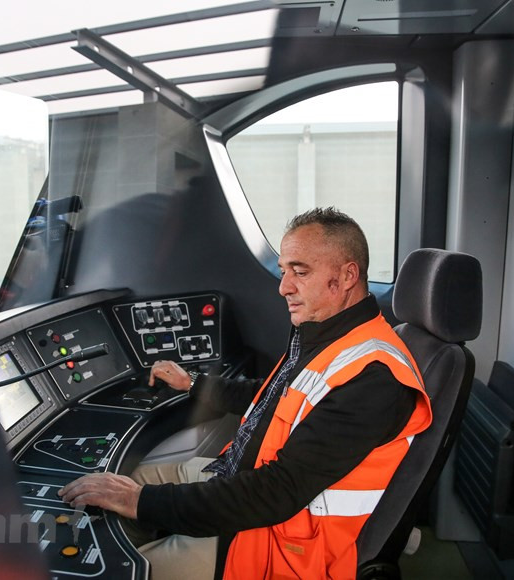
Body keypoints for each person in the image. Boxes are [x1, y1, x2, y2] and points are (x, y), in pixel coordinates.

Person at [60, 207, 432, 579]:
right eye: (284, 270)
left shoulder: (374, 377)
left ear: (348, 275)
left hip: (276, 542)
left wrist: (140, 503)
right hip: (237, 478)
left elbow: (277, 492)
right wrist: (192, 384)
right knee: (126, 479)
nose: (284, 286)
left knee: (118, 570)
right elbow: (273, 397)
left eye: (300, 272)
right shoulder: (332, 334)